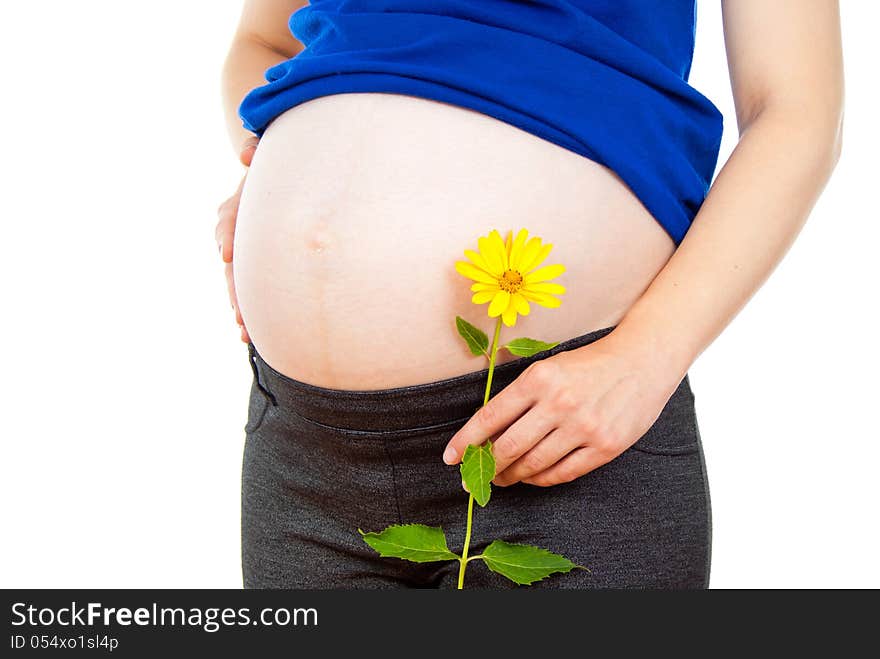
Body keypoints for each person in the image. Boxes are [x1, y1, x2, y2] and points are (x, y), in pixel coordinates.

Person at [215, 0, 843, 589]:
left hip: (561, 437)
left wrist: (648, 358)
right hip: (304, 453)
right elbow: (264, 40)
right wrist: (271, 166)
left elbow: (796, 110)